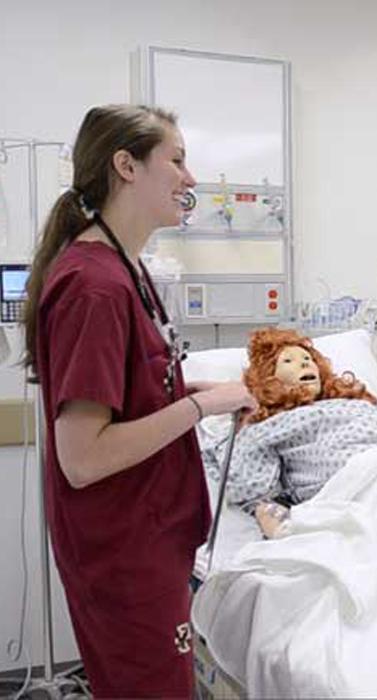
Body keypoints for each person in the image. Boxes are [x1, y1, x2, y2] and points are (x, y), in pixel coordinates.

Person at [22, 104, 256, 697]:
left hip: (148, 537)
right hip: (124, 552)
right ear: (125, 166)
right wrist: (198, 409)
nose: (191, 178)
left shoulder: (124, 269)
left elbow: (126, 394)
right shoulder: (94, 287)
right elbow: (83, 457)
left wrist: (183, 391)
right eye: (176, 160)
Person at [205, 327, 377, 539]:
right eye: (288, 361)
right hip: (360, 479)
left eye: (308, 358)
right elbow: (248, 484)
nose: (305, 363)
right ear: (269, 379)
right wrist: (264, 510)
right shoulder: (274, 423)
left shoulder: (351, 403)